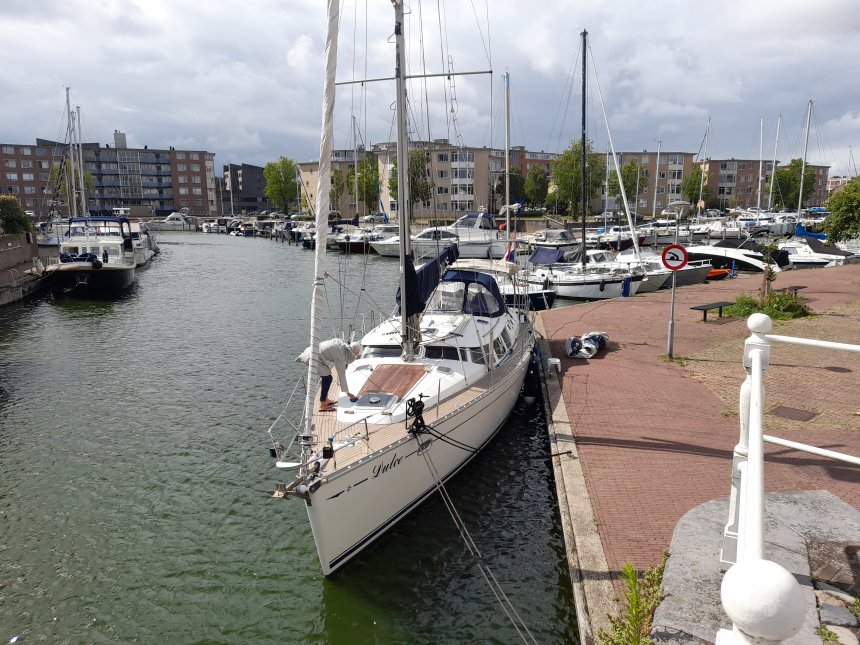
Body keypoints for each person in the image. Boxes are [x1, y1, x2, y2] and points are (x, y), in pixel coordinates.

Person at [296, 338, 362, 411]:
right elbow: (341, 374)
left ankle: (325, 399)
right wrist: (348, 393)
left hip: (310, 353)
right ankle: (322, 405)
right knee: (327, 378)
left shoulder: (341, 344)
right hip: (312, 358)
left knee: (327, 376)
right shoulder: (340, 354)